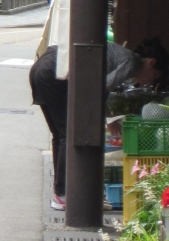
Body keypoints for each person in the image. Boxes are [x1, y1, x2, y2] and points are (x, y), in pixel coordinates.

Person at [29, 37, 169, 210]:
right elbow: (100, 87)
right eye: (154, 76)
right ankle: (63, 194)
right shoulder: (131, 62)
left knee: (61, 135)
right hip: (54, 72)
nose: (149, 82)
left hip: (42, 68)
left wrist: (107, 115)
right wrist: (109, 118)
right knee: (68, 135)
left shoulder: (124, 56)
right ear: (151, 63)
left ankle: (61, 193)